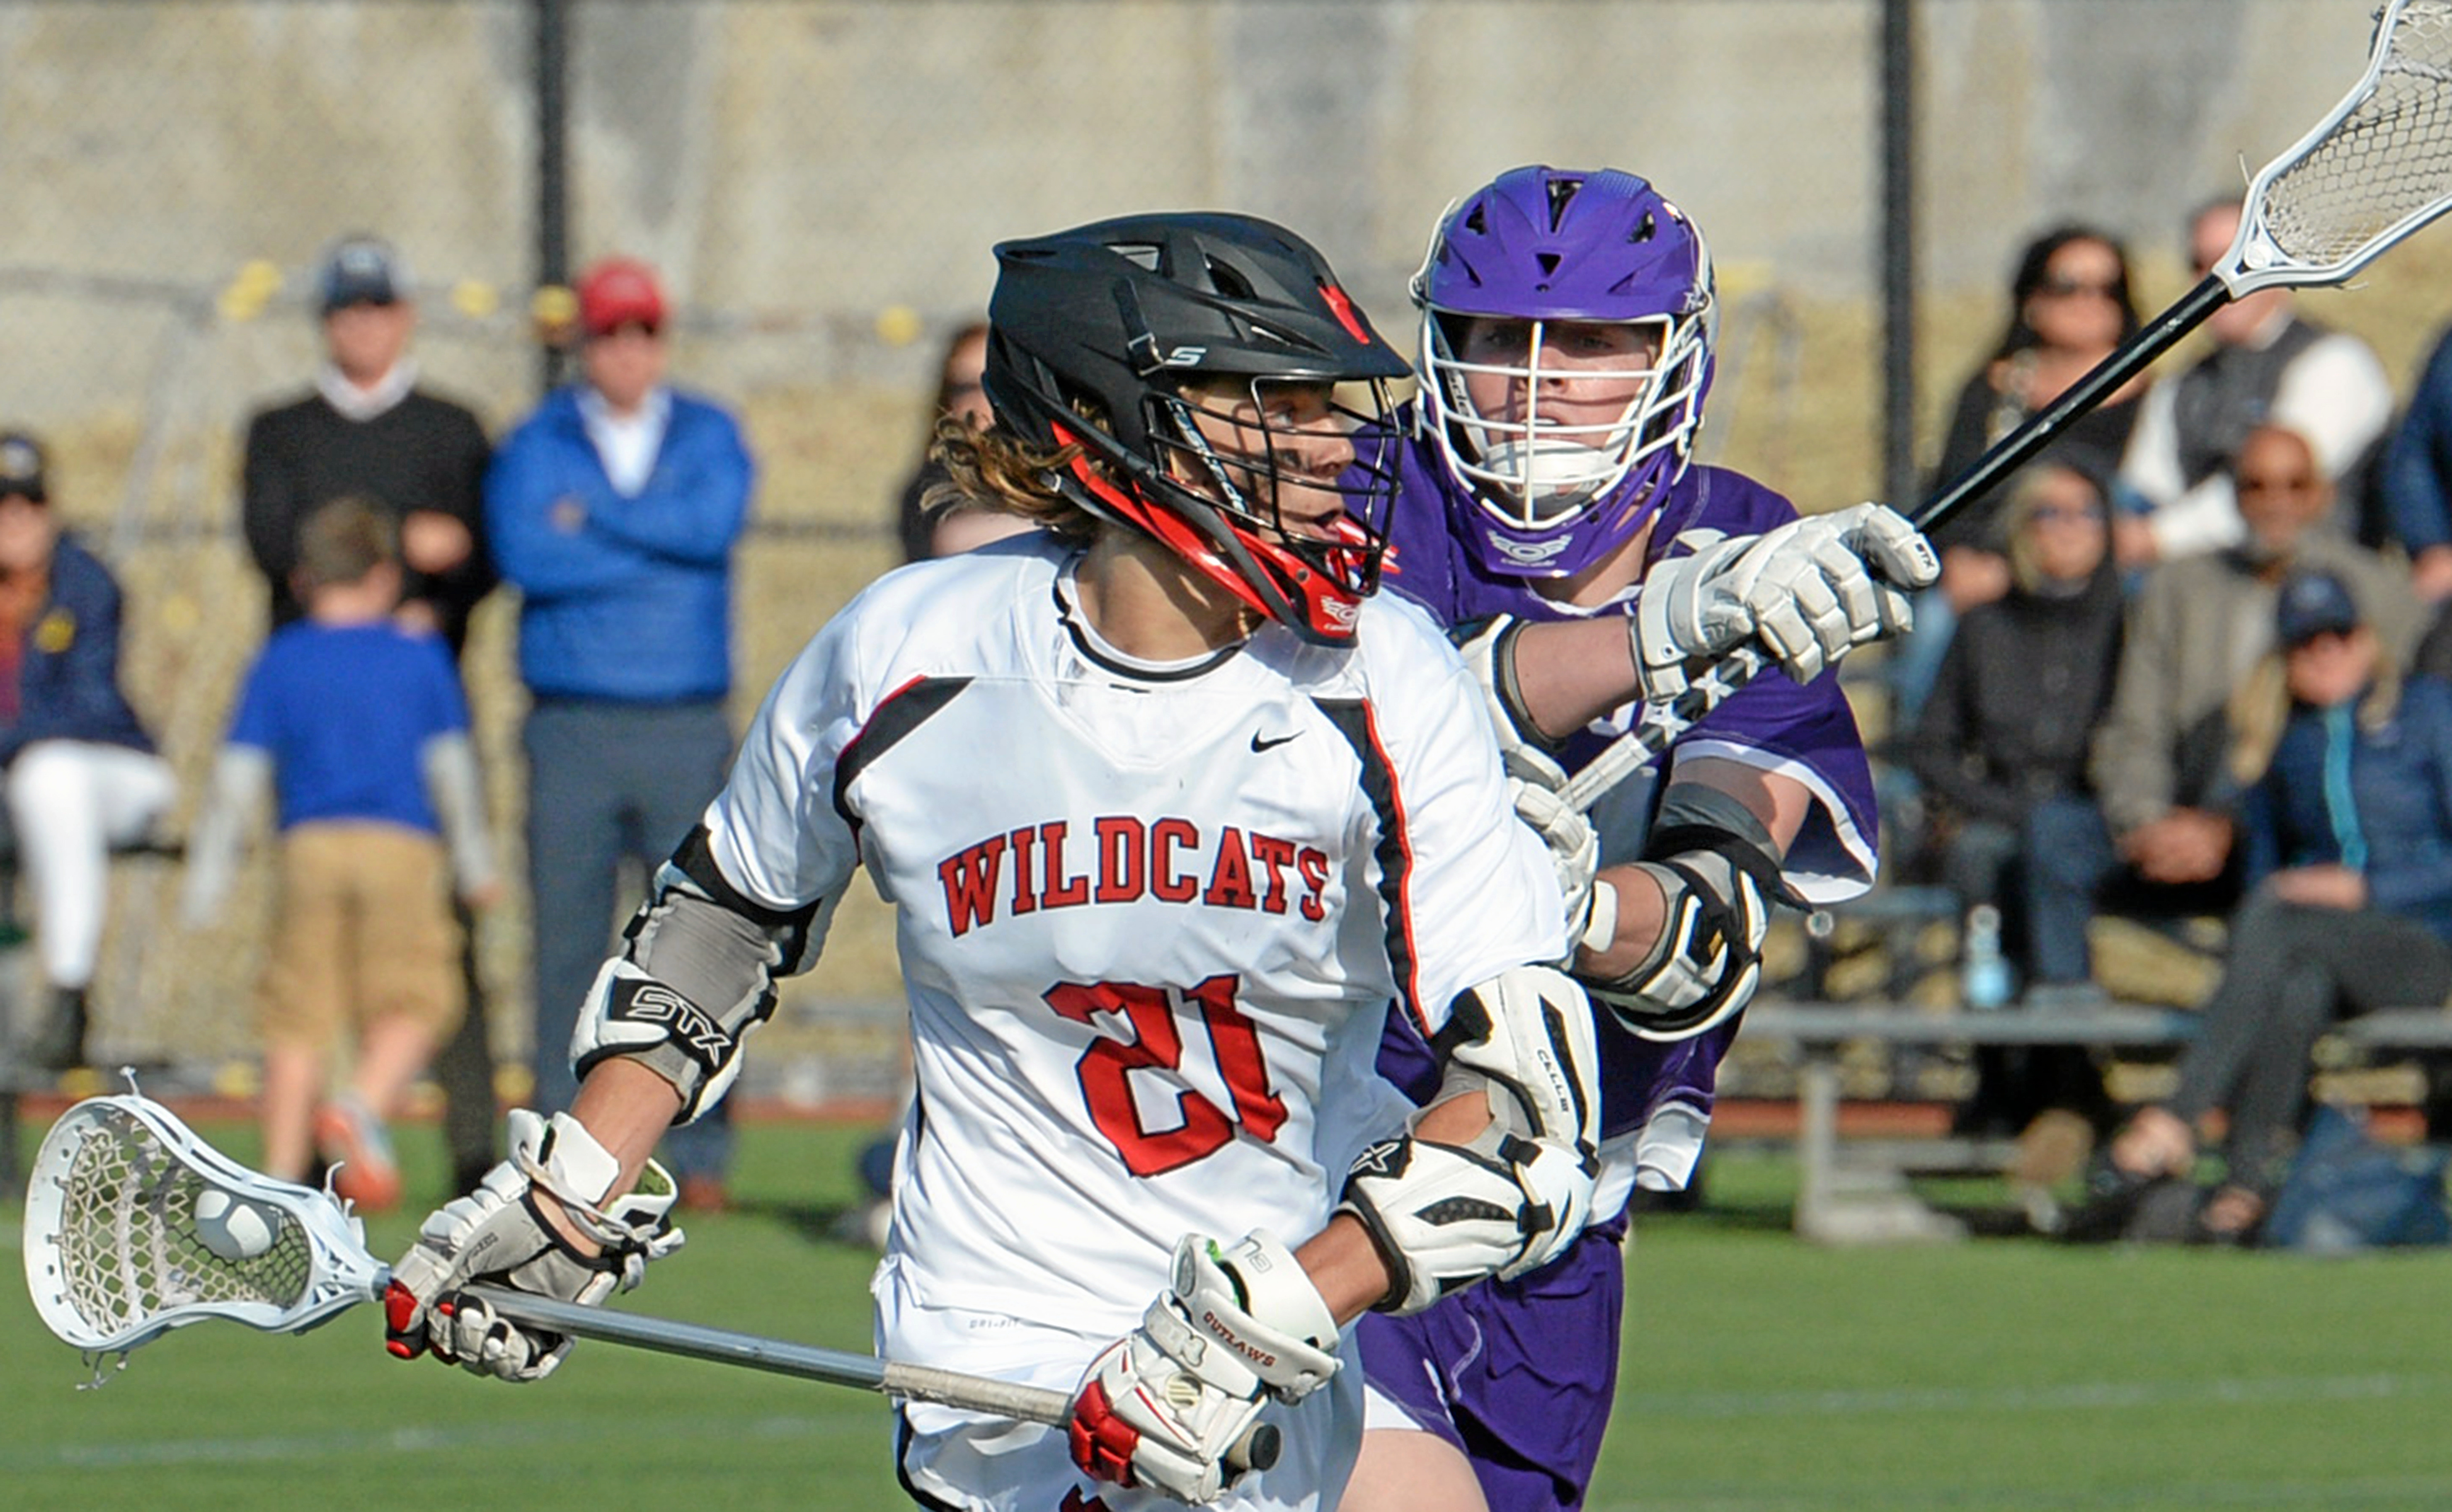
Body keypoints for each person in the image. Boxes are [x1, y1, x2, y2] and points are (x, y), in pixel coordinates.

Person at [382, 212, 1608, 1512]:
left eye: (1327, 408)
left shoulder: (1386, 676)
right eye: (1270, 408)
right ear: (1114, 425)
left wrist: (1271, 1313)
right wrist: (577, 1182)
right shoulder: (910, 653)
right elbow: (725, 921)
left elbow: (1526, 1111)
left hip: (1279, 1330)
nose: (1328, 452)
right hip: (1004, 1354)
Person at [1352, 166, 1937, 1512]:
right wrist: (1651, 637)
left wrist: (1567, 906)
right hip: (1333, 1149)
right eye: (1499, 338)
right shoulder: (1365, 502)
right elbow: (1383, 722)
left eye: (1592, 343)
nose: (1538, 378)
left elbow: (1706, 939)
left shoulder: (1747, 543)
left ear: (1674, 359)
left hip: (1559, 1199)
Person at [484, 254, 754, 1212]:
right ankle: (564, 1147)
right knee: (567, 942)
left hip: (683, 718)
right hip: (571, 724)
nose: (626, 352)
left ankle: (706, 1150)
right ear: (583, 344)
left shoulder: (710, 431)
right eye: (609, 333)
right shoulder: (537, 440)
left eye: (642, 331)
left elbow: (713, 524)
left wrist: (595, 517)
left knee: (703, 942)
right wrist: (650, 541)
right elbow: (526, 551)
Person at [238, 232, 502, 1194]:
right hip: (318, 742)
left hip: (421, 725)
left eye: (379, 306)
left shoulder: (451, 427)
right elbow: (279, 542)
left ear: (406, 314)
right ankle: (305, 1159)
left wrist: (443, 565)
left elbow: (481, 554)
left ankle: (470, 1147)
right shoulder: (281, 428)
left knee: (442, 958)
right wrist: (403, 540)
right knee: (310, 965)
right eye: (347, 309)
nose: (364, 324)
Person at [2087, 568, 2452, 1244]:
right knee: (2294, 981)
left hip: (2423, 943)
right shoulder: (2283, 740)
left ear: (2366, 640)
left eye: (2337, 635)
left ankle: (2176, 1118)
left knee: (2281, 919)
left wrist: (2367, 887)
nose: (2324, 653)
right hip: (2319, 949)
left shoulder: (2429, 715)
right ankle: (2245, 1187)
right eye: (2305, 641)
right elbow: (2264, 869)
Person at [181, 497, 502, 1210]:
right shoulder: (417, 656)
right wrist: (477, 862)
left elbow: (239, 774)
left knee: (297, 1017)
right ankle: (360, 1105)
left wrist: (210, 876)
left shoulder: (282, 659)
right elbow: (452, 769)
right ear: (385, 576)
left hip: (309, 847)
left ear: (302, 580)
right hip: (401, 845)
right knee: (418, 999)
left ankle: (279, 1183)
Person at [2059, 424, 2421, 996]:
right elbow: (2137, 725)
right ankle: (2061, 1046)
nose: (2275, 502)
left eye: (2293, 484)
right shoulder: (2176, 588)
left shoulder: (2374, 593)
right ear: (2232, 494)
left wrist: (2231, 826)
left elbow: (2388, 742)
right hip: (2179, 818)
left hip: (2296, 831)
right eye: (2255, 485)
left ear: (2320, 494)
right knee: (2051, 839)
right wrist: (2145, 819)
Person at [1895, 458, 2124, 1178]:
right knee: (1981, 862)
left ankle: (2062, 1077)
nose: (2065, 531)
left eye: (2082, 512)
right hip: (1997, 810)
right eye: (2047, 513)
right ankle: (1998, 1067)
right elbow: (1929, 743)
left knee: (2048, 852)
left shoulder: (2129, 623)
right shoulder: (1983, 626)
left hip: (2096, 816)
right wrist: (1997, 809)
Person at [1893, 226, 2146, 719]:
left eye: (2107, 288)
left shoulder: (2155, 395)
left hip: (2112, 567)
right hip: (2006, 560)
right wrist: (1967, 559)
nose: (2089, 302)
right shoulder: (1993, 394)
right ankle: (1917, 767)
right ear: (2032, 297)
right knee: (1941, 616)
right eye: (2068, 286)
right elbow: (1951, 494)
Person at [0, 432, 177, 1071]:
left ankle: (69, 990)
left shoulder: (83, 583)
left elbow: (87, 710)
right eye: (2, 508)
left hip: (111, 771)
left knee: (48, 774)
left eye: (28, 506)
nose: (15, 524)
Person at [2115, 197, 2395, 570]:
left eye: (2236, 261)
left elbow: (2270, 489)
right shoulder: (2184, 386)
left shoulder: (2336, 362)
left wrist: (2156, 538)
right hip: (2203, 592)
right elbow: (2145, 489)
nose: (2218, 280)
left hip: (2321, 589)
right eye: (2202, 265)